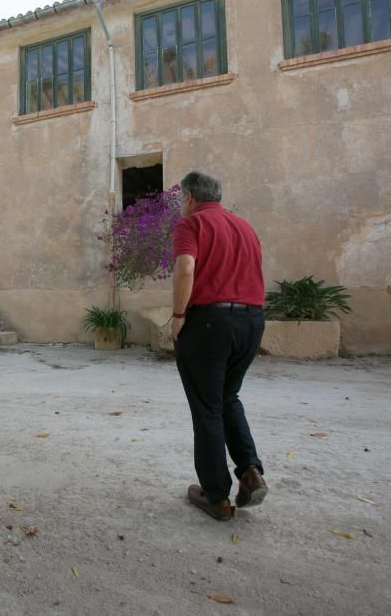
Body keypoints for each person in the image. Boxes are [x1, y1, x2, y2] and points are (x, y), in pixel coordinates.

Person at [170, 171, 267, 521]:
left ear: (191, 197)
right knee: (227, 397)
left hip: (210, 323)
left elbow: (185, 268)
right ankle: (250, 471)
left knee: (207, 408)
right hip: (252, 321)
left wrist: (179, 314)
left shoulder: (191, 225)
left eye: (182, 199)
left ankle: (217, 497)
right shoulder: (245, 227)